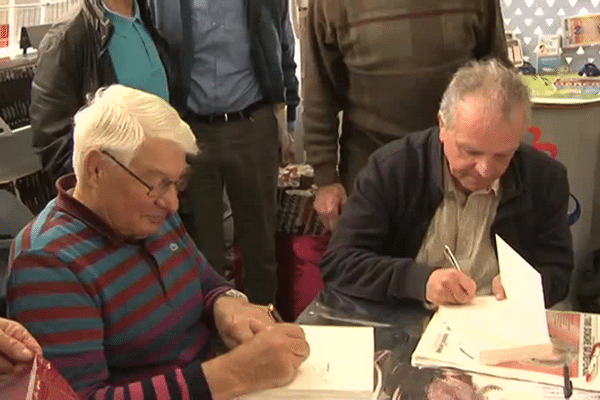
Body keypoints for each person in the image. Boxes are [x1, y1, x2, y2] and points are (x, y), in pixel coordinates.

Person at [7, 86, 310, 399]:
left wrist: (229, 304)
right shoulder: (47, 263)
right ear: (96, 168)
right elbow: (80, 397)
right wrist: (235, 374)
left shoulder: (147, 213)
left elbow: (205, 282)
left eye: (176, 183)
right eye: (159, 184)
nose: (172, 204)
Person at [320, 59, 573, 308]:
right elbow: (340, 263)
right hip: (407, 314)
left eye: (502, 156)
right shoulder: (393, 169)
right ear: (443, 125)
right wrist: (420, 281)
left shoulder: (544, 178)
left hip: (500, 320)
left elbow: (558, 271)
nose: (485, 170)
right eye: (471, 152)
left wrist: (527, 285)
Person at [303, 0, 511, 231]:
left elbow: (498, 78)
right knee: (372, 263)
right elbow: (319, 90)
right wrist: (325, 177)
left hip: (456, 167)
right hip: (370, 164)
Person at [146, 0, 300, 304]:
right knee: (203, 248)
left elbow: (283, 51)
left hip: (253, 124)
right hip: (191, 132)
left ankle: (262, 324)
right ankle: (213, 328)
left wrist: (288, 121)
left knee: (259, 244)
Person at [30, 0, 171, 183]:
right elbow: (52, 141)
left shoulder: (147, 21)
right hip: (118, 195)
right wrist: (101, 189)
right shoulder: (67, 36)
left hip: (161, 187)